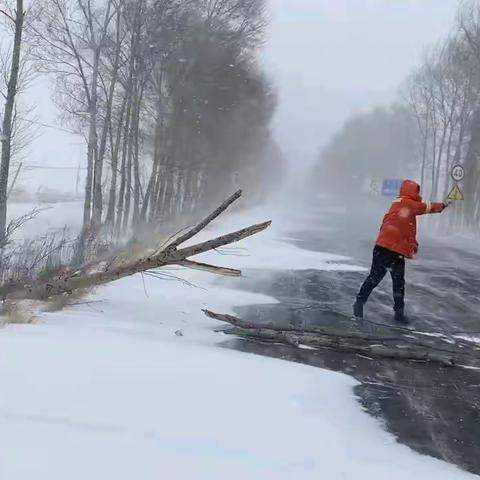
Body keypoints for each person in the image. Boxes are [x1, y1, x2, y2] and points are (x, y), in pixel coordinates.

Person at [353, 179, 448, 324]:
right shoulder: (406, 203)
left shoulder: (397, 203)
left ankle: (397, 313)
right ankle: (360, 304)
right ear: (410, 191)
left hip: (391, 250)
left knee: (397, 282)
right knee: (377, 279)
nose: (418, 194)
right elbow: (425, 207)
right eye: (416, 191)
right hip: (386, 249)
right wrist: (442, 205)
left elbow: (405, 231)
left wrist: (412, 245)